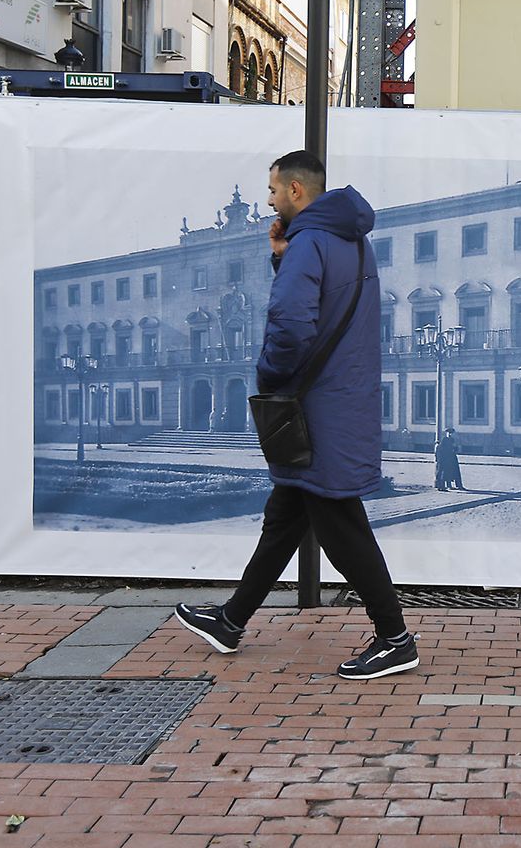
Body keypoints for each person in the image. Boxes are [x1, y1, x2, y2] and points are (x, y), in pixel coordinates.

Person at [175, 151, 417, 680]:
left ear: (296, 192)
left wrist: (268, 377)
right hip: (341, 396)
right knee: (285, 517)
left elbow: (289, 322)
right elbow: (324, 308)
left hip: (317, 404)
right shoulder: (352, 241)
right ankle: (232, 621)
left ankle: (395, 638)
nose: (268, 199)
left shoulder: (311, 241)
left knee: (340, 522)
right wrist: (283, 259)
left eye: (273, 190)